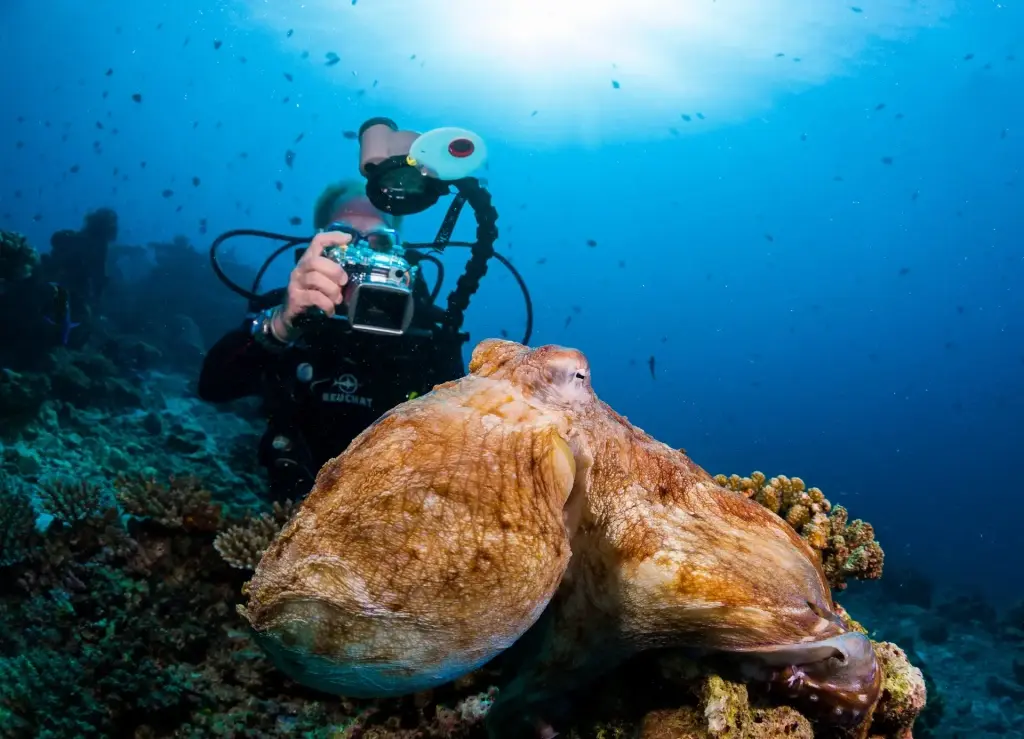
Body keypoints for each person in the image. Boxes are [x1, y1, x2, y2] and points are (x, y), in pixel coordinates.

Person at [198, 183, 466, 501]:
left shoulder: (427, 331)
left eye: (378, 240)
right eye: (345, 239)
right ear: (320, 243)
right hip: (289, 504)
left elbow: (460, 443)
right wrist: (282, 325)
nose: (361, 253)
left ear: (398, 251)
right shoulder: (288, 310)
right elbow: (213, 386)